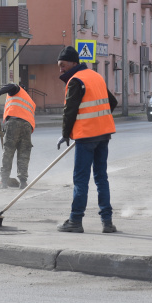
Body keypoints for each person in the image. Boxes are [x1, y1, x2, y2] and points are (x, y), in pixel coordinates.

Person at [55, 45, 118, 234]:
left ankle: (75, 220)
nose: (61, 69)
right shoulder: (95, 76)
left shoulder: (76, 80)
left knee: (81, 180)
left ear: (74, 63)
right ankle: (107, 222)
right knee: (101, 178)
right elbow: (112, 102)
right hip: (103, 135)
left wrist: (66, 134)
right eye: (59, 66)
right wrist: (99, 120)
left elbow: (70, 111)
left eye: (63, 65)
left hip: (86, 137)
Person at [0, 82, 36, 189]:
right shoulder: (29, 100)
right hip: (27, 126)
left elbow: (11, 86)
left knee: (8, 151)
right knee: (24, 153)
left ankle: (4, 180)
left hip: (14, 123)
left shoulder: (17, 89)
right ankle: (23, 181)